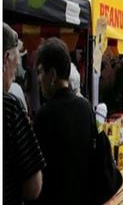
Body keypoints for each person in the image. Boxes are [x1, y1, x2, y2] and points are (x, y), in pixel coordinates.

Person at [33, 37, 96, 205]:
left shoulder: (44, 116)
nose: (39, 79)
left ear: (52, 74)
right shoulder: (86, 108)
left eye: (40, 72)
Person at [3, 23, 46, 205]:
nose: (16, 71)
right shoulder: (9, 107)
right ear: (5, 59)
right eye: (16, 62)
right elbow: (33, 188)